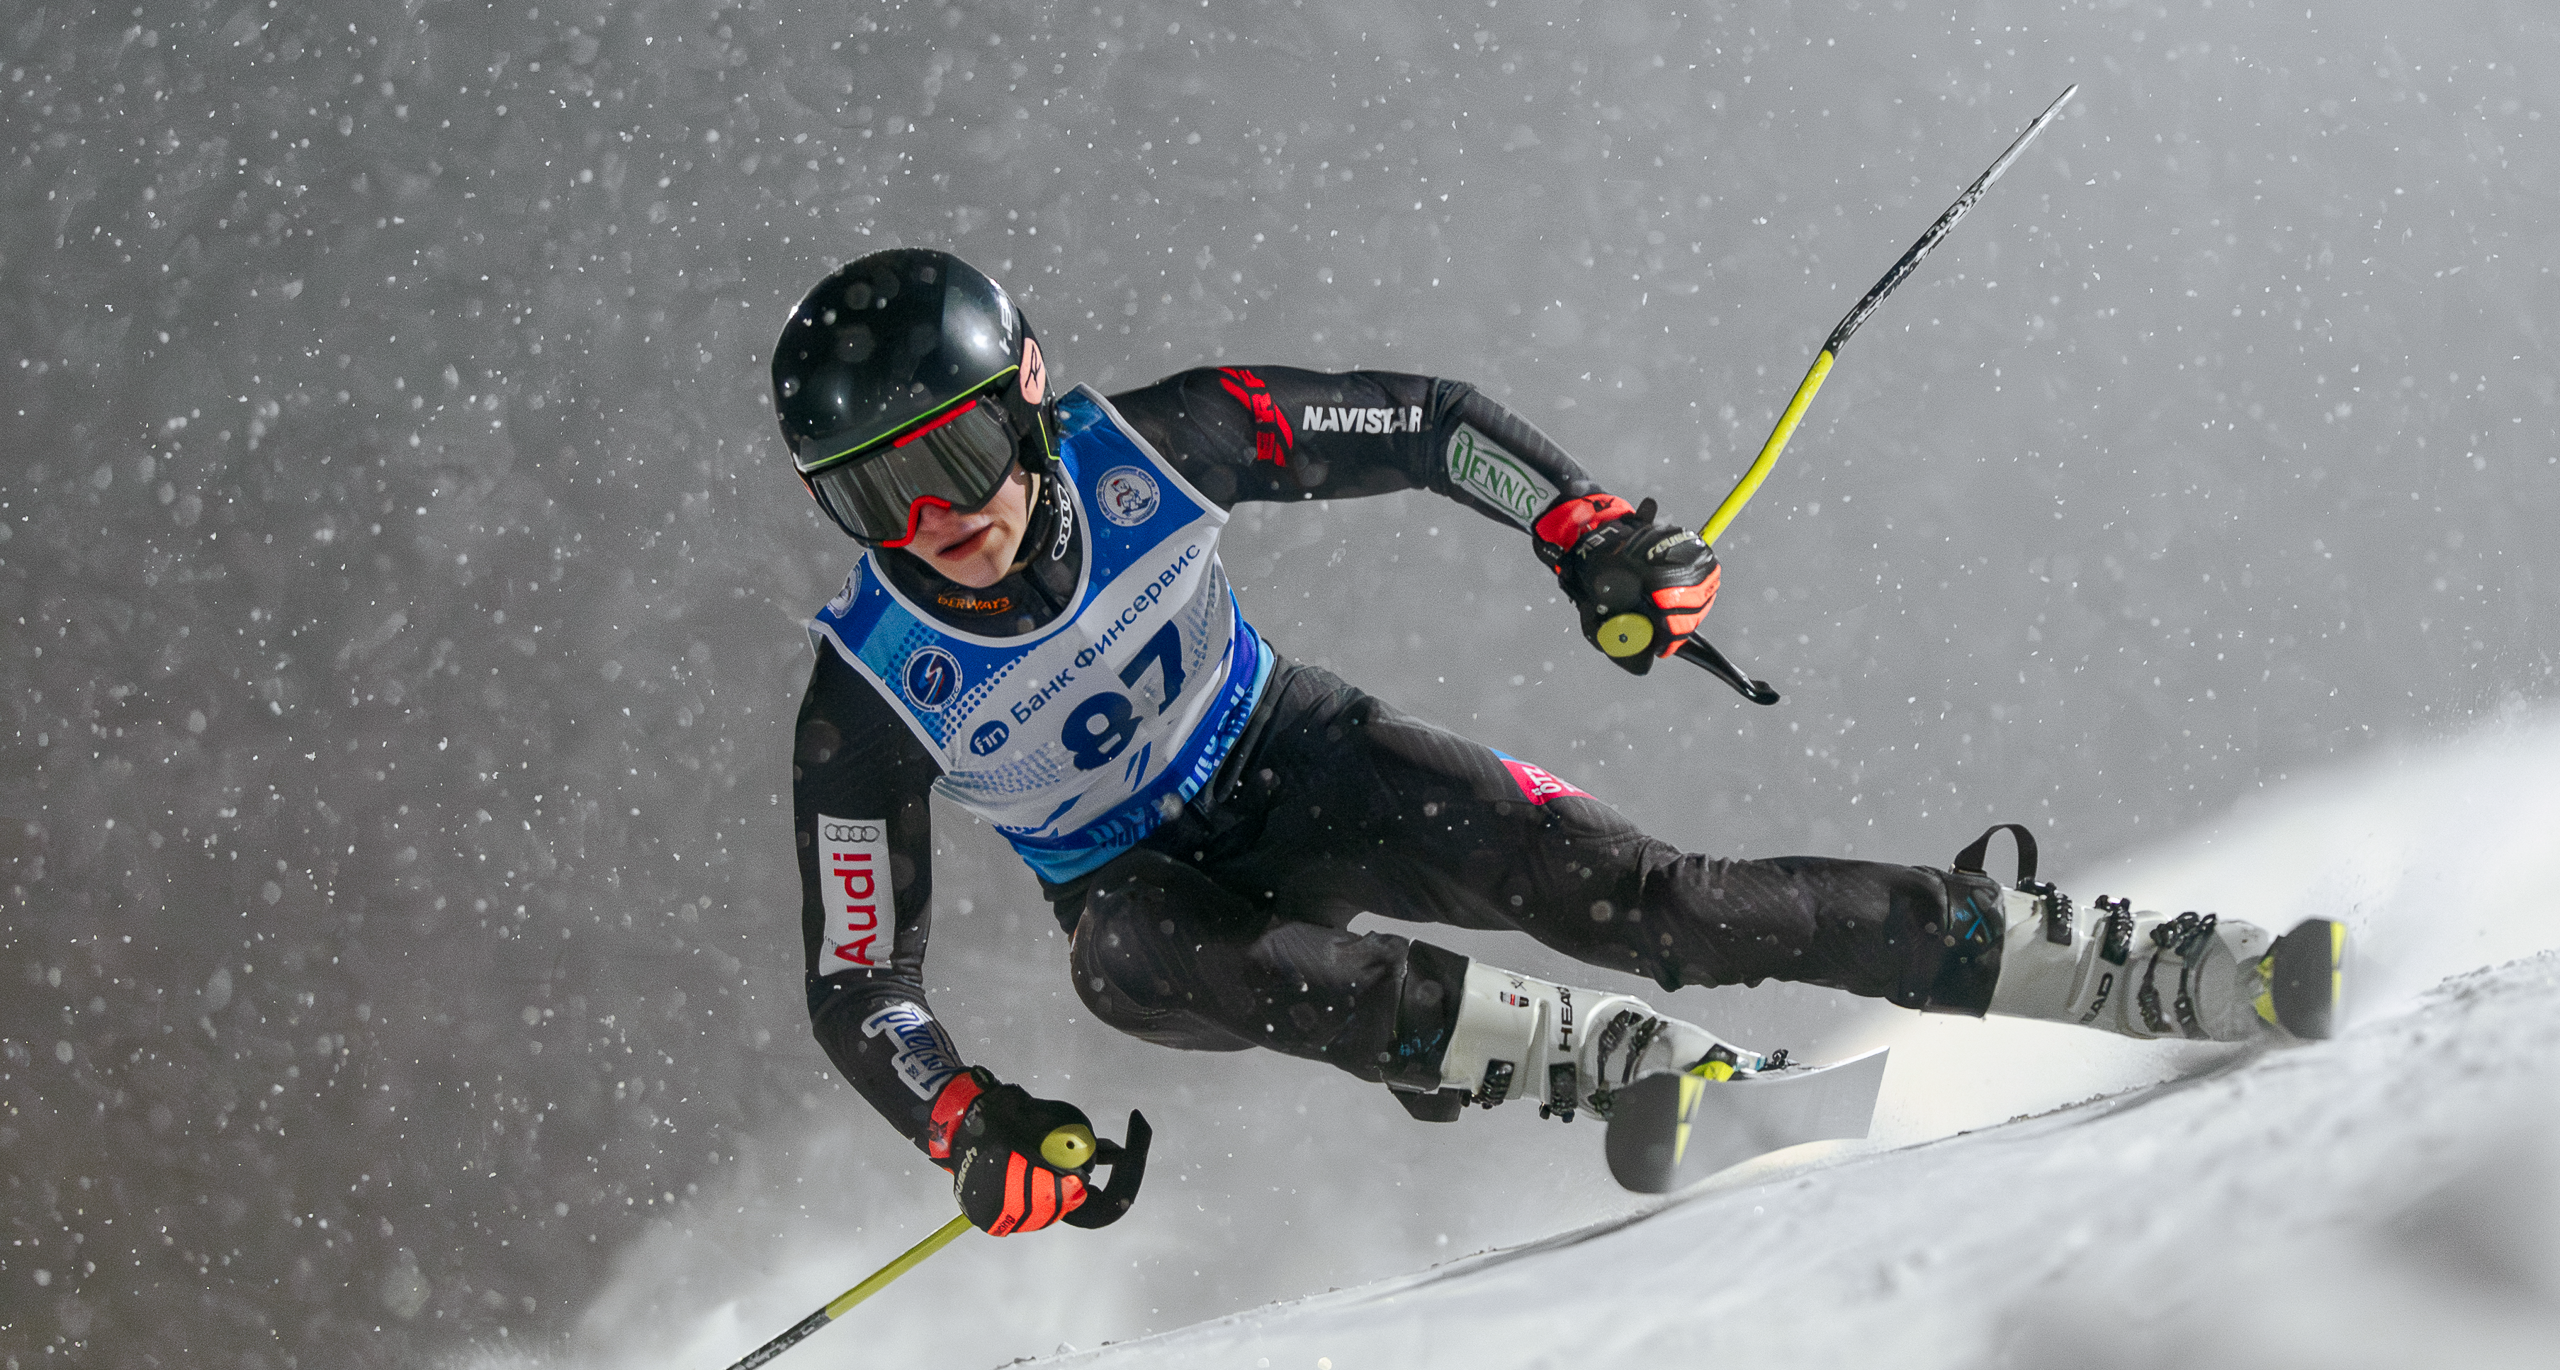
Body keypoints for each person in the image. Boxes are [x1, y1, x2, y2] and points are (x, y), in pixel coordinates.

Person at [775, 249, 2344, 1237]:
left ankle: (2120, 957)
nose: (940, 521)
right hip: (1145, 907)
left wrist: (1585, 528)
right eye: (872, 495)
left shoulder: (1161, 444)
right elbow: (861, 981)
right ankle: (1618, 1074)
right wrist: (968, 1124)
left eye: (959, 450)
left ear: (1031, 392)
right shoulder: (867, 698)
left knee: (1653, 899)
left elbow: (1423, 423)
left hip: (1295, 754)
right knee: (1162, 950)